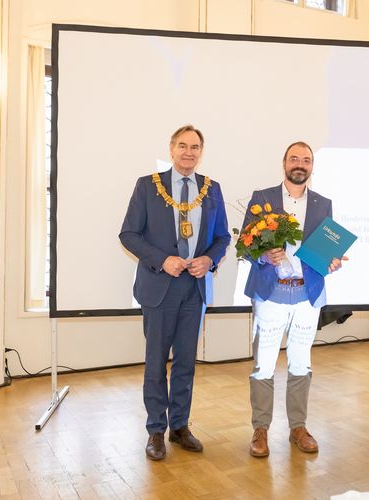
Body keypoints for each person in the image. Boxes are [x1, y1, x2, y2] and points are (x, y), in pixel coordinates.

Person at [119, 125, 230, 460]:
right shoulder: (148, 186)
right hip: (159, 286)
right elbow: (128, 234)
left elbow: (223, 237)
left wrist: (209, 259)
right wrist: (162, 260)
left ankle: (179, 426)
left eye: (195, 147)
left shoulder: (212, 190)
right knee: (156, 363)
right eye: (182, 146)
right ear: (171, 150)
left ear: (201, 152)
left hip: (193, 289)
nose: (188, 153)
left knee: (185, 362)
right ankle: (155, 430)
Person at [241, 141, 345, 458]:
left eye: (306, 160)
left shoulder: (323, 204)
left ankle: (298, 427)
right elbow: (245, 245)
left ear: (312, 167)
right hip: (270, 294)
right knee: (264, 365)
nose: (300, 164)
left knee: (301, 362)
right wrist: (263, 255)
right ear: (284, 163)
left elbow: (324, 251)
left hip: (306, 296)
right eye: (294, 158)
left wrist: (332, 260)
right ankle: (260, 430)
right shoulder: (263, 199)